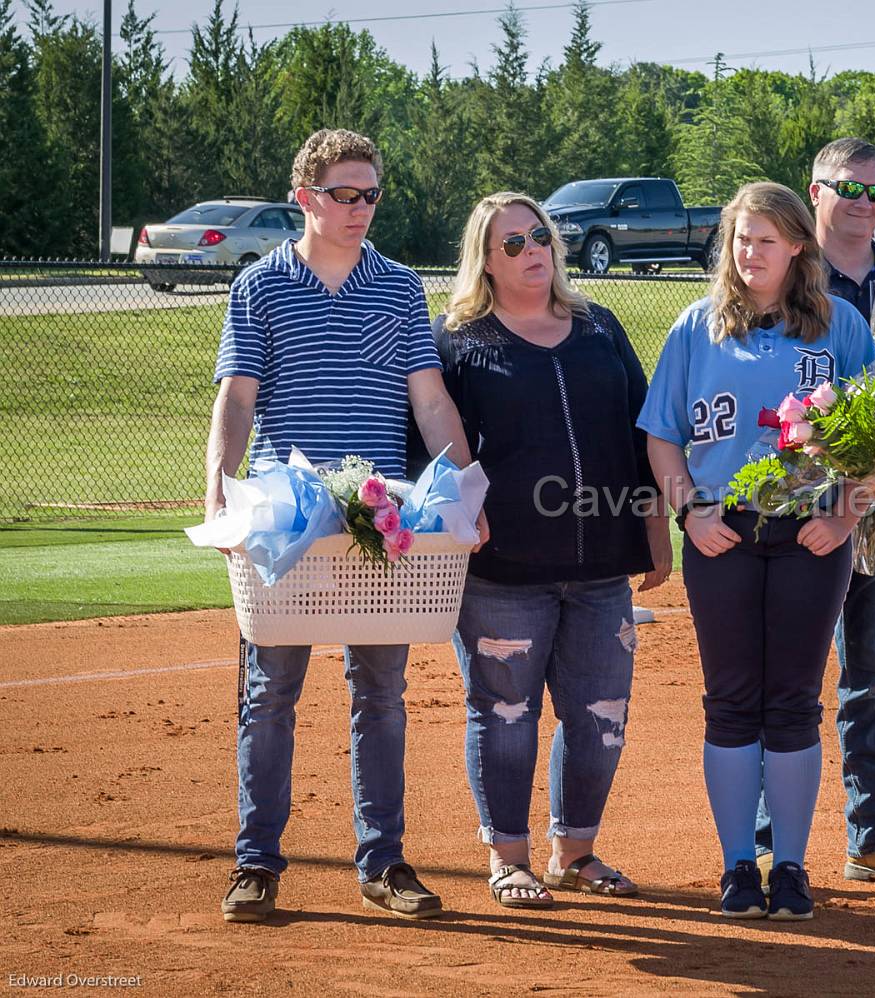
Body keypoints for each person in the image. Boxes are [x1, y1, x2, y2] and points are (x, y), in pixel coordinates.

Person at [208, 128, 486, 923]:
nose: (361, 208)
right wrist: (218, 501)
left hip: (381, 518)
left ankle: (384, 863)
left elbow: (429, 400)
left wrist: (466, 491)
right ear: (306, 199)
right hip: (286, 518)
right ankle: (256, 865)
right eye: (345, 195)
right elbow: (236, 400)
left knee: (382, 694)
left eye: (371, 195)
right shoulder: (259, 287)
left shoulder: (399, 287)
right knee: (269, 696)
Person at [638, 181, 875, 921]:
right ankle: (740, 864)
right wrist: (690, 510)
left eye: (765, 240)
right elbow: (662, 434)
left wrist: (843, 516)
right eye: (741, 239)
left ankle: (794, 866)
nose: (749, 253)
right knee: (732, 702)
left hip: (810, 534)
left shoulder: (839, 325)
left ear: (798, 244)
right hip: (723, 535)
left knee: (795, 704)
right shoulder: (694, 327)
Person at [431, 192, 672, 910]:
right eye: (512, 243)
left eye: (539, 235)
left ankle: (576, 852)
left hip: (601, 565)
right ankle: (509, 859)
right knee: (505, 718)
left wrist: (654, 527)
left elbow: (644, 430)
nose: (532, 249)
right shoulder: (458, 340)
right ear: (486, 260)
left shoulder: (599, 326)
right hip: (501, 573)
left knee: (600, 715)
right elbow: (436, 450)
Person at [759, 137, 875, 890]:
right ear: (816, 192)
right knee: (793, 676)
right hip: (811, 504)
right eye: (849, 189)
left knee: (874, 677)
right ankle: (776, 838)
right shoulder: (788, 281)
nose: (866, 203)